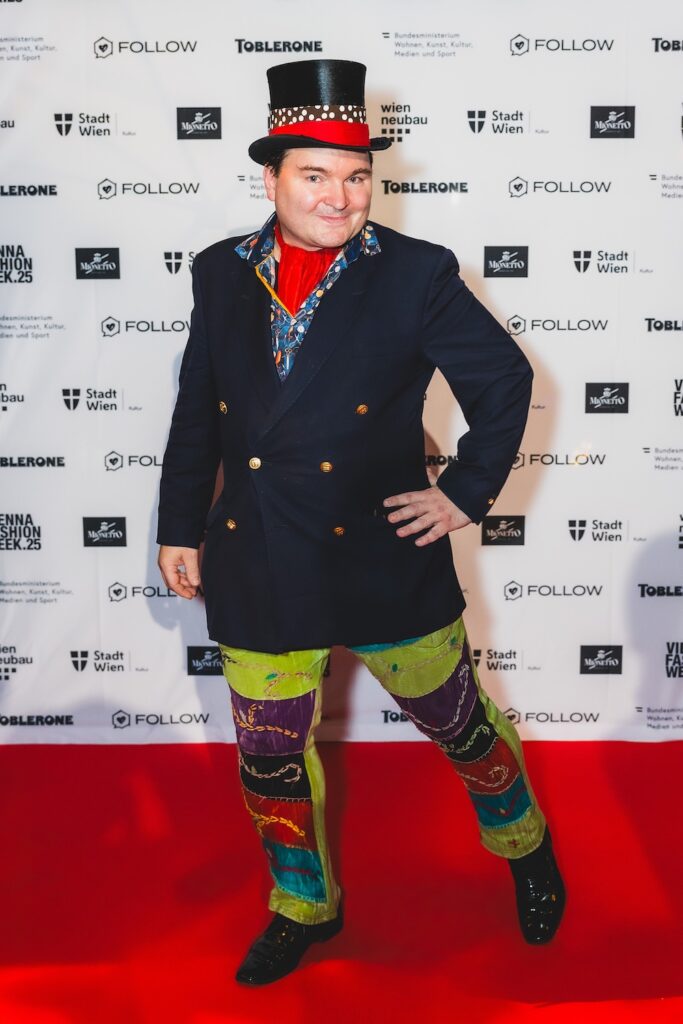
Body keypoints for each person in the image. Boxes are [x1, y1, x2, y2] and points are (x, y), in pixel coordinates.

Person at [157, 59, 565, 986]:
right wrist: (180, 522)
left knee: (461, 727)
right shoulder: (219, 271)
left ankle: (526, 847)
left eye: (356, 176)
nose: (339, 197)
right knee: (269, 760)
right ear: (270, 178)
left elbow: (504, 381)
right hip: (257, 552)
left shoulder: (415, 273)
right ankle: (303, 903)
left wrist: (463, 493)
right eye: (315, 175)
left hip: (381, 555)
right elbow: (198, 408)